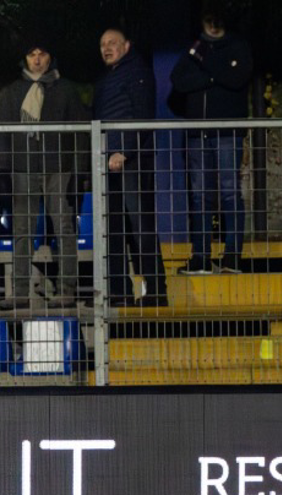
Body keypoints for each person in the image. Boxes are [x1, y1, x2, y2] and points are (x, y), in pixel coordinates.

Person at [0, 38, 90, 310]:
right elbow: (2, 135)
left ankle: (67, 289)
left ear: (50, 58)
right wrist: (4, 170)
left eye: (42, 54)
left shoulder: (66, 90)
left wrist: (78, 171)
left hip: (59, 168)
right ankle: (21, 292)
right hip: (23, 169)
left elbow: (81, 134)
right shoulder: (13, 92)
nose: (36, 59)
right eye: (31, 54)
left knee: (64, 228)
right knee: (22, 231)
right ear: (24, 59)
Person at [170, 8, 253, 277]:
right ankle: (201, 258)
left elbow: (239, 78)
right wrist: (215, 76)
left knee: (230, 192)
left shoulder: (237, 45)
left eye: (218, 20)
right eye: (208, 20)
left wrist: (206, 67)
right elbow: (178, 81)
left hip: (227, 132)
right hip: (198, 134)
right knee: (200, 196)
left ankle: (232, 256)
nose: (213, 25)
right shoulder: (193, 48)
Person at [93, 28, 167, 307]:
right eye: (102, 44)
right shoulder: (106, 79)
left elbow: (143, 114)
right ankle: (119, 292)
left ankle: (155, 291)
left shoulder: (137, 71)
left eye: (112, 43)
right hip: (107, 162)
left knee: (140, 227)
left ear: (127, 45)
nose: (106, 48)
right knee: (113, 229)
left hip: (131, 161)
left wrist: (125, 150)